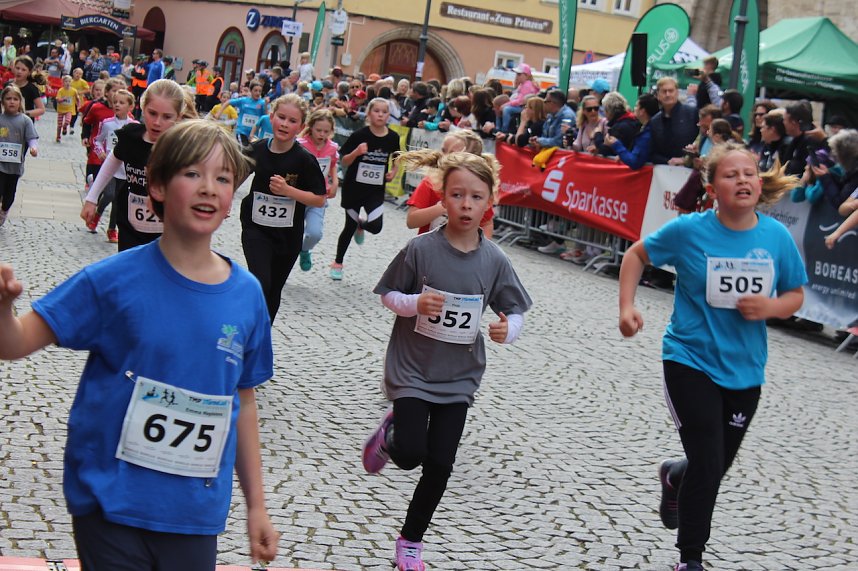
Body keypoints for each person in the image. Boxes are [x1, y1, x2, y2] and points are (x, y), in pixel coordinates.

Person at [0, 119, 279, 569]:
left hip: (193, 515)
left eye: (222, 178)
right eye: (192, 173)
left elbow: (242, 402)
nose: (209, 188)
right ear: (158, 184)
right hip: (111, 505)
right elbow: (14, 343)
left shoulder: (247, 296)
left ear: (232, 199)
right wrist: (3, 309)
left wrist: (256, 506)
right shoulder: (111, 281)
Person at [618, 142, 806, 571]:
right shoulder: (689, 232)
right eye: (730, 174)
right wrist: (626, 309)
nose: (743, 180)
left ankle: (675, 475)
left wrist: (771, 308)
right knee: (708, 459)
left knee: (713, 466)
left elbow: (795, 294)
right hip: (689, 359)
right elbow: (636, 255)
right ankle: (691, 558)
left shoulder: (775, 237)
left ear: (760, 183)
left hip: (744, 370)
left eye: (750, 173)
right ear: (711, 186)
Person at [363, 148, 532, 571]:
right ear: (443, 196)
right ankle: (392, 438)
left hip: (458, 378)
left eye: (476, 197)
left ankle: (411, 541)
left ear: (489, 202)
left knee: (440, 464)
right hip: (412, 370)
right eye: (458, 195)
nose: (467, 205)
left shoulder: (495, 260)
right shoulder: (421, 249)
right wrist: (414, 303)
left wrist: (506, 329)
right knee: (410, 454)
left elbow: (516, 310)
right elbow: (388, 294)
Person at [239, 94, 325, 321]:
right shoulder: (256, 149)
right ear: (271, 117)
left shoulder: (304, 160)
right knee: (260, 281)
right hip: (255, 229)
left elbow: (319, 199)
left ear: (301, 127)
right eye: (281, 117)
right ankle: (247, 325)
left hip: (287, 236)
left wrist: (289, 191)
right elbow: (236, 176)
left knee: (273, 289)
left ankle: (262, 336)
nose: (285, 124)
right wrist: (223, 200)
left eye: (292, 120)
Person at [81, 79, 185, 252]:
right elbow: (112, 162)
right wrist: (92, 199)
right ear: (142, 109)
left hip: (168, 227)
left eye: (167, 117)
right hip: (130, 222)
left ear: (178, 117)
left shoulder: (181, 146)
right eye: (152, 113)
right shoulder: (131, 136)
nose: (157, 122)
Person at [330, 97, 400, 281]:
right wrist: (356, 153)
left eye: (384, 112)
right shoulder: (359, 135)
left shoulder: (393, 137)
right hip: (354, 188)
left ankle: (362, 226)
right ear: (369, 114)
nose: (380, 114)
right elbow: (343, 161)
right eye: (376, 111)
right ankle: (338, 263)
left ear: (388, 116)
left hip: (375, 190)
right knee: (348, 227)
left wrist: (394, 170)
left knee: (376, 227)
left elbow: (397, 156)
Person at [91, 88, 137, 243]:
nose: (117, 105)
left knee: (118, 201)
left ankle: (112, 229)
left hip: (126, 170)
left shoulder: (134, 126)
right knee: (110, 194)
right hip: (110, 167)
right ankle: (97, 213)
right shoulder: (107, 124)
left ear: (130, 107)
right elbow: (96, 140)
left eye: (122, 103)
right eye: (115, 102)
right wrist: (100, 152)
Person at [297, 109, 339, 272]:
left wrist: (334, 182)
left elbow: (333, 165)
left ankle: (304, 249)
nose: (322, 134)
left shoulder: (332, 147)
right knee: (288, 235)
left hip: (318, 197)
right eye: (318, 130)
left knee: (315, 233)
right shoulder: (300, 144)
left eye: (326, 131)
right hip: (298, 196)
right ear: (310, 127)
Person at [0, 85, 38, 227]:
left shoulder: (25, 120)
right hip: (0, 164)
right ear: (3, 101)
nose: (12, 102)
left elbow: (31, 138)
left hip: (15, 166)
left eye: (15, 99)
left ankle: (4, 210)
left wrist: (34, 148)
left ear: (20, 102)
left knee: (9, 195)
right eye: (8, 98)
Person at [649, 77, 699, 165]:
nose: (668, 94)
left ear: (677, 93)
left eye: (671, 91)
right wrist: (667, 161)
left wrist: (686, 160)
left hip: (691, 169)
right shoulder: (654, 121)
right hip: (665, 171)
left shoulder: (692, 113)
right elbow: (652, 151)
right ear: (657, 95)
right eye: (664, 91)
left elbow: (702, 141)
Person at [606, 92, 659, 170]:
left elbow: (635, 162)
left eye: (636, 106)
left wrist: (616, 145)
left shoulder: (646, 135)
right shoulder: (646, 128)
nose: (634, 108)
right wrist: (624, 155)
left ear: (642, 111)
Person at [596, 91, 639, 156]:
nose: (604, 113)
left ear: (609, 110)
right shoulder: (633, 120)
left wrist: (598, 134)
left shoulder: (618, 128)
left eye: (605, 110)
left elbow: (606, 151)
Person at [498, 63, 537, 133]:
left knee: (507, 109)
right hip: (523, 106)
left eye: (519, 74)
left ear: (526, 75)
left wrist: (507, 104)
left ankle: (504, 130)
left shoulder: (527, 85)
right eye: (517, 74)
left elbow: (520, 101)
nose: (517, 76)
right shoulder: (524, 84)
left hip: (524, 107)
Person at [7, 56, 45, 121]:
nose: (19, 71)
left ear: (29, 72)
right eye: (17, 68)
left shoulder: (32, 88)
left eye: (23, 70)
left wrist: (24, 113)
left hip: (24, 124)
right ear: (13, 68)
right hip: (8, 122)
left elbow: (41, 109)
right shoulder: (8, 85)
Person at [231, 82, 267, 146]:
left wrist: (266, 105)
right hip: (242, 131)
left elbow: (266, 117)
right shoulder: (243, 100)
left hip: (254, 134)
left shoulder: (262, 103)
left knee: (250, 153)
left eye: (260, 91)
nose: (258, 93)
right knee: (243, 150)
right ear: (251, 91)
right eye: (255, 90)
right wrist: (219, 113)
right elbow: (228, 102)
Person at [54, 74, 79, 142]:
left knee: (67, 121)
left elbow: (77, 98)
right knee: (59, 125)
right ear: (63, 83)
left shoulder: (74, 91)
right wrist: (62, 99)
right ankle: (58, 137)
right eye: (66, 81)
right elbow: (57, 100)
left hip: (69, 109)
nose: (67, 83)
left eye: (69, 81)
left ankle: (65, 127)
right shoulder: (61, 90)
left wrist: (78, 106)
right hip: (61, 109)